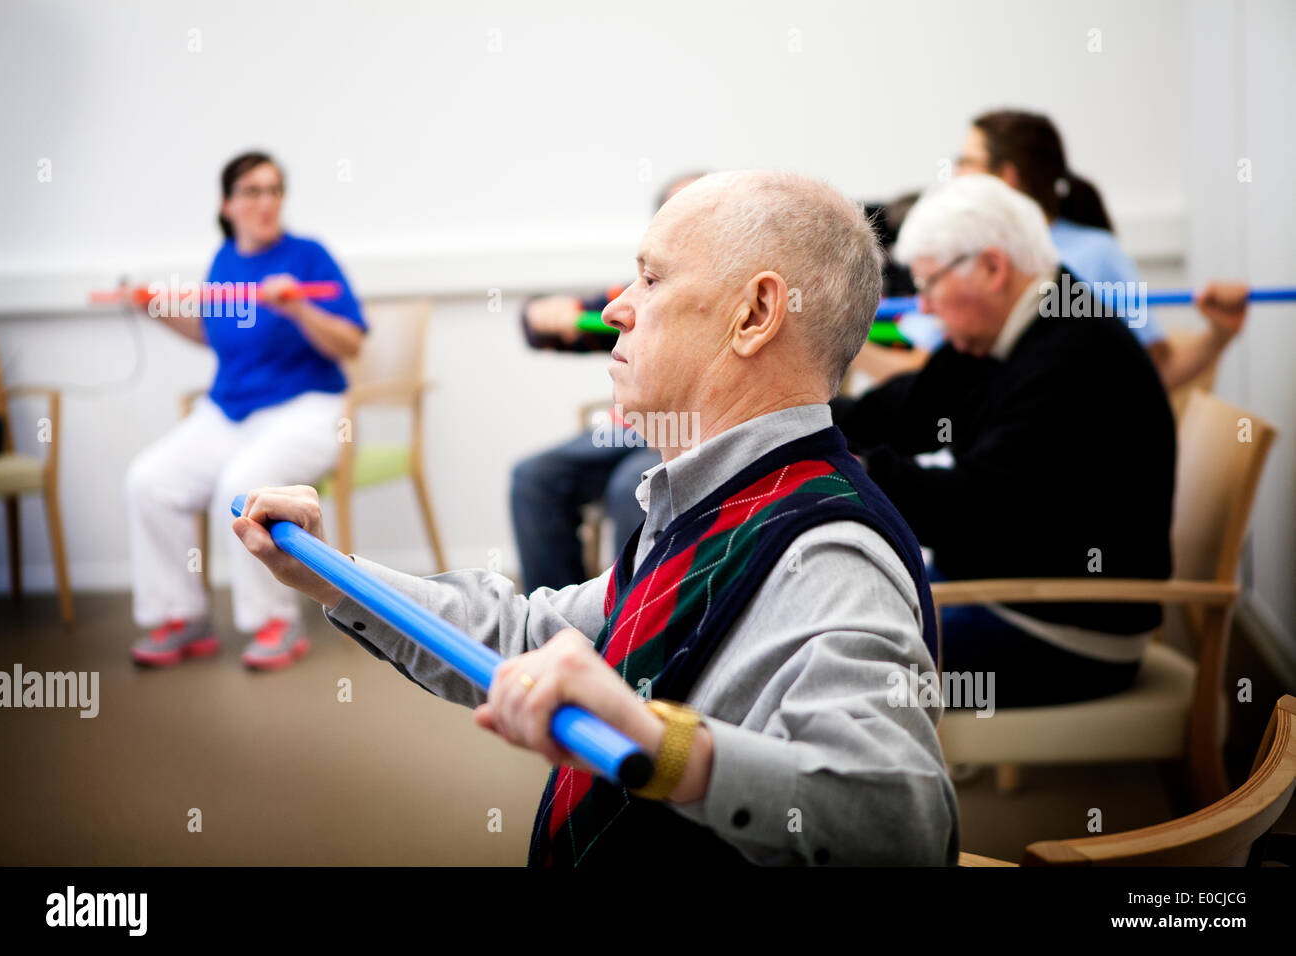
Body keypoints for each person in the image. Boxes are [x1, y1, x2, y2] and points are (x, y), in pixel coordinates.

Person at [232, 170, 959, 866]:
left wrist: (661, 745)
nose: (614, 306)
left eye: (651, 277)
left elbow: (901, 825)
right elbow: (522, 634)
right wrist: (331, 579)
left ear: (756, 314)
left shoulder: (828, 556)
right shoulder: (712, 503)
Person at [832, 173, 1249, 708]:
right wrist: (803, 416)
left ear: (991, 267)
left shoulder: (1074, 356)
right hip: (1012, 588)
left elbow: (971, 510)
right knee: (842, 611)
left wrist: (853, 469)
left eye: (930, 284)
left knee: (839, 660)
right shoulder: (1010, 328)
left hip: (1064, 630)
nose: (924, 308)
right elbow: (908, 410)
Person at [124, 151, 367, 670]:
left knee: (244, 484)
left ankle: (274, 622)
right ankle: (182, 616)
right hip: (229, 412)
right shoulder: (225, 261)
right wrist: (156, 309)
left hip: (308, 408)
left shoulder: (309, 255)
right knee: (148, 481)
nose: (266, 202)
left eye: (274, 190)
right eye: (253, 191)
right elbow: (212, 333)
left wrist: (298, 306)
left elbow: (350, 343)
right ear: (227, 204)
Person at [853, 110, 1245, 388]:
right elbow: (929, 380)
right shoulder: (964, 260)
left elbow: (1151, 370)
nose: (954, 176)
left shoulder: (1093, 256)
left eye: (965, 162)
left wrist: (1218, 335)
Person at [510, 172, 705, 593]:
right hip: (629, 431)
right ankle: (561, 629)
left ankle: (630, 632)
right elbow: (554, 323)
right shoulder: (643, 289)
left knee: (633, 488)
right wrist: (540, 314)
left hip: (697, 431)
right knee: (533, 478)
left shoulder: (737, 292)